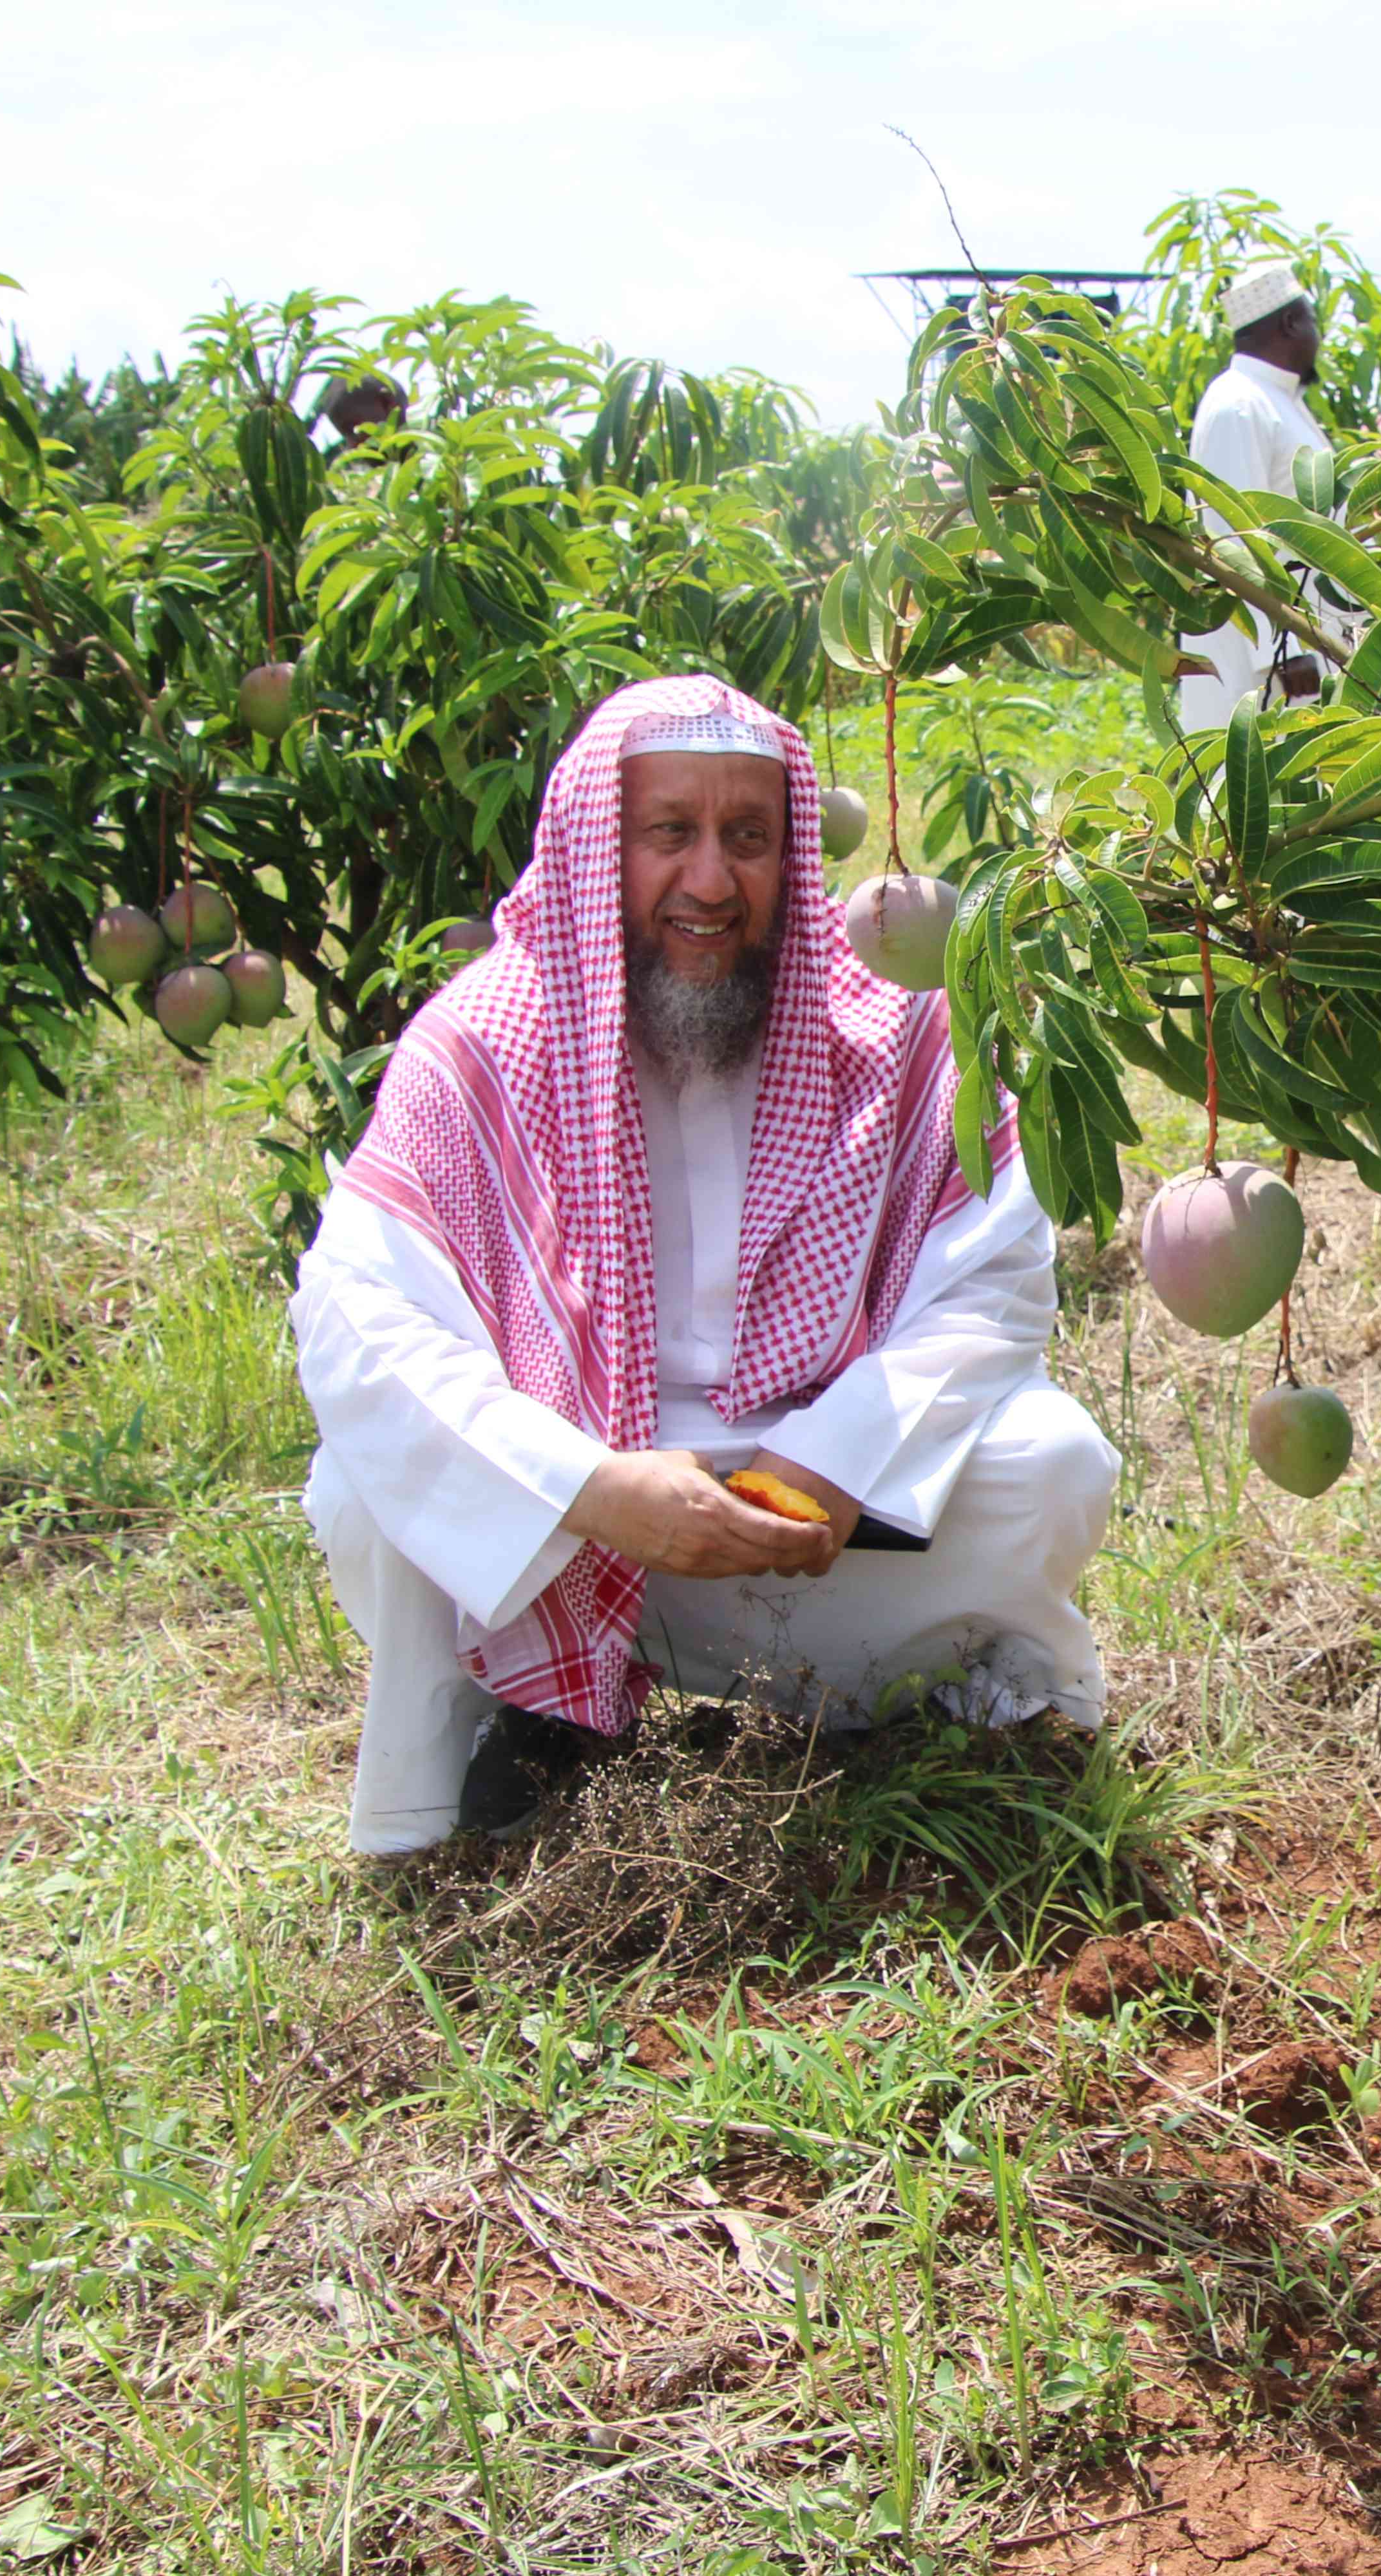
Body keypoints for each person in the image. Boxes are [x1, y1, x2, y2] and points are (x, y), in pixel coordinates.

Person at [289, 673, 1121, 1855]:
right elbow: (359, 1315)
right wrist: (587, 1486)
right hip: (582, 1500)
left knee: (1052, 1465)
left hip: (822, 1491)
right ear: (594, 848)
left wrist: (836, 1461)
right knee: (361, 1488)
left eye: (749, 837)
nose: (713, 882)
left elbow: (992, 1275)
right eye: (668, 833)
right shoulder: (481, 1042)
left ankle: (926, 1707)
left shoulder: (896, 1025)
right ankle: (512, 1726)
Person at [1179, 258, 1337, 732]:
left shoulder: (1277, 402)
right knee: (1252, 790)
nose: (1318, 338)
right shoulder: (1239, 406)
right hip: (1270, 667)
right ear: (1291, 323)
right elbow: (1234, 537)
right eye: (1313, 321)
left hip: (1302, 648)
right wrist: (1281, 651)